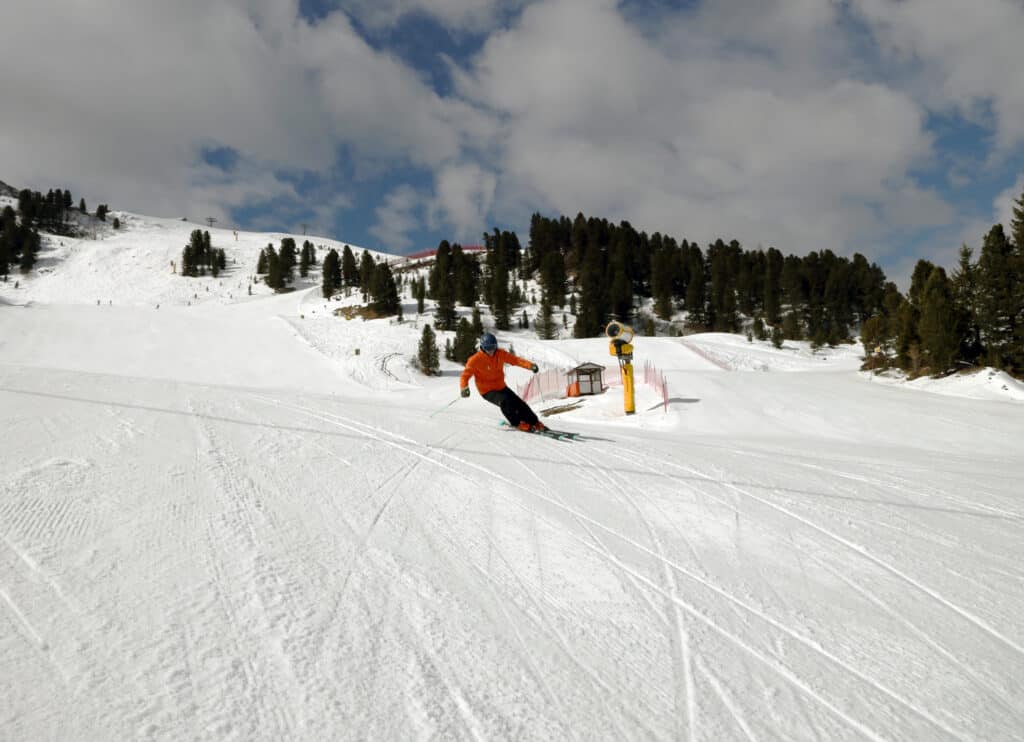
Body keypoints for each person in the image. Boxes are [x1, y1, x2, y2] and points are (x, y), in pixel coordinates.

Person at [460, 333, 546, 432]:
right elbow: (464, 376)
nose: (491, 351)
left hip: (501, 386)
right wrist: (464, 387)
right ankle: (517, 423)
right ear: (482, 347)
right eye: (488, 348)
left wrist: (530, 366)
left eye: (493, 347)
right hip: (487, 391)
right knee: (505, 402)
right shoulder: (475, 360)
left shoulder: (500, 354)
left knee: (519, 403)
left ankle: (534, 422)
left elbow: (516, 360)